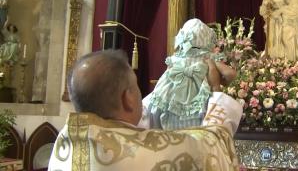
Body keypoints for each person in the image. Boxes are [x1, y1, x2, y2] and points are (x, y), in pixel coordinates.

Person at [48, 49, 242, 171]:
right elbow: (211, 146)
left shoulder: (64, 144)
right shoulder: (147, 152)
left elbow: (132, 119)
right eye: (136, 88)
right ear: (128, 98)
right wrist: (215, 89)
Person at [144, 18, 237, 130]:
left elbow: (166, 79)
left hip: (169, 109)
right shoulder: (209, 59)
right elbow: (231, 74)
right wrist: (220, 82)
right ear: (208, 40)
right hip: (200, 116)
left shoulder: (174, 59)